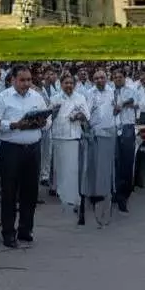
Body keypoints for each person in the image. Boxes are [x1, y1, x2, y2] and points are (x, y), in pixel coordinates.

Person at [0, 66, 51, 246]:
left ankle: (25, 229)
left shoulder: (36, 97)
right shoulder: (2, 98)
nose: (27, 84)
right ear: (13, 80)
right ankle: (8, 232)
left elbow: (48, 121)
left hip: (33, 149)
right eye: (23, 80)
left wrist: (43, 122)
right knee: (9, 192)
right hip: (11, 149)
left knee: (30, 192)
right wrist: (15, 124)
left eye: (29, 80)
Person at [83, 69, 119, 224]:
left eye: (102, 77)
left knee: (108, 165)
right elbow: (86, 114)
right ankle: (94, 194)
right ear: (93, 80)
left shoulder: (112, 92)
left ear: (106, 78)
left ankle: (107, 192)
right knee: (95, 165)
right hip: (96, 133)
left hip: (110, 132)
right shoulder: (90, 93)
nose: (99, 80)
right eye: (96, 78)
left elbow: (115, 110)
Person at [50, 74, 87, 211]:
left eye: (71, 83)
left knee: (72, 168)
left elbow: (86, 115)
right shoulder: (55, 98)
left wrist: (79, 115)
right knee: (60, 168)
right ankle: (62, 194)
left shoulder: (80, 98)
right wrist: (53, 112)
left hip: (74, 136)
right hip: (59, 135)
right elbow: (48, 118)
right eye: (66, 83)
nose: (69, 85)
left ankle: (73, 197)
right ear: (61, 84)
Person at [110, 69, 139, 212]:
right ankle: (116, 192)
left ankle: (125, 193)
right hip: (114, 127)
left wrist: (121, 104)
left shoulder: (131, 89)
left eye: (120, 77)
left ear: (124, 78)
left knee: (127, 161)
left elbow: (135, 102)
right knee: (115, 161)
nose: (117, 79)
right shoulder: (110, 90)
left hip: (127, 126)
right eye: (115, 77)